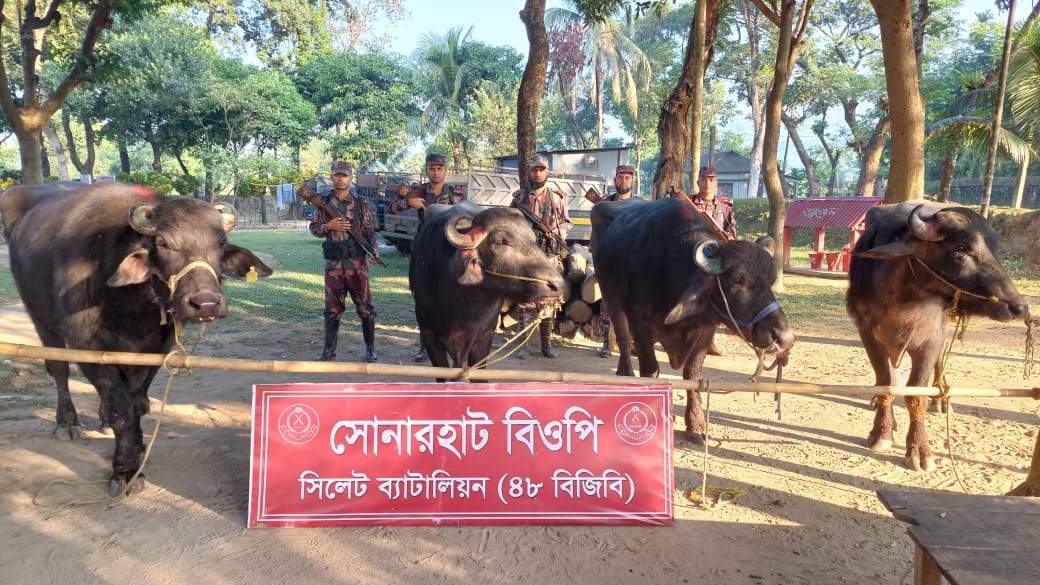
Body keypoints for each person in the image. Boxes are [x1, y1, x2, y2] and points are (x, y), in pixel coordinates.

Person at [308, 160, 380, 363]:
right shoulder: (322, 203)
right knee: (332, 309)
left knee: (365, 308)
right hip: (333, 266)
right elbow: (314, 229)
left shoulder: (360, 204)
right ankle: (328, 351)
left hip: (357, 265)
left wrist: (373, 250)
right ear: (332, 177)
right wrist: (328, 226)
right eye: (337, 175)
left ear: (351, 178)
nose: (341, 179)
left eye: (345, 175)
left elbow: (369, 231)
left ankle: (370, 350)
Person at [509, 153, 572, 359]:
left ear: (547, 172)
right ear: (528, 172)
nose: (537, 173)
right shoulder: (518, 198)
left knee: (548, 301)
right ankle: (524, 346)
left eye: (541, 170)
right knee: (525, 300)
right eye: (534, 170)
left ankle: (546, 345)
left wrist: (556, 233)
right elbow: (509, 224)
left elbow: (566, 222)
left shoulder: (557, 198)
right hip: (525, 256)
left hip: (549, 255)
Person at [409, 153, 466, 362]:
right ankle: (425, 346)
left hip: (448, 252)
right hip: (425, 254)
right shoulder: (418, 191)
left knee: (451, 299)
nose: (435, 172)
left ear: (445, 170)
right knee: (424, 300)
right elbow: (392, 207)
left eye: (439, 169)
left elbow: (466, 217)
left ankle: (453, 343)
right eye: (432, 169)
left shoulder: (456, 193)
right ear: (427, 170)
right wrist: (410, 202)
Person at [597, 164, 636, 357]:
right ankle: (606, 342)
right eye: (621, 177)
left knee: (634, 304)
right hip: (610, 261)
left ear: (633, 181)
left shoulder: (640, 205)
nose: (624, 180)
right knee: (608, 303)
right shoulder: (604, 205)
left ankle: (633, 343)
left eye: (628, 177)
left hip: (633, 262)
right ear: (615, 180)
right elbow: (597, 232)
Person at [690, 166, 736, 239]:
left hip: (718, 244)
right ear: (698, 183)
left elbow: (731, 234)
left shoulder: (724, 206)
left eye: (711, 180)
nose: (707, 183)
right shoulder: (689, 203)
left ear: (716, 183)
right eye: (704, 180)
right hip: (694, 243)